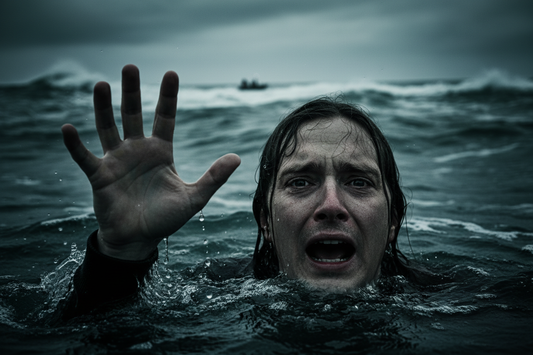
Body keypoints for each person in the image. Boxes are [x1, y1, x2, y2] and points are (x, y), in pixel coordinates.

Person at [59, 65, 410, 318]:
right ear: (266, 223)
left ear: (392, 220)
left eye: (359, 182)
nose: (331, 206)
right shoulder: (215, 293)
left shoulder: (455, 300)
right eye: (300, 182)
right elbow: (90, 332)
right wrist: (121, 254)